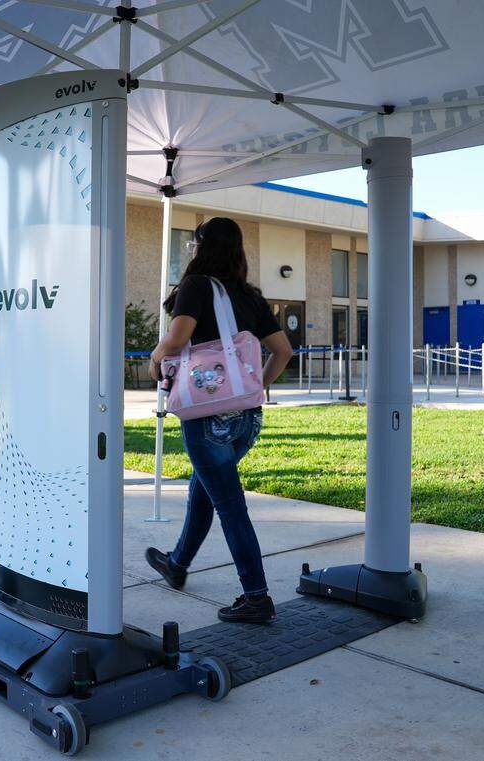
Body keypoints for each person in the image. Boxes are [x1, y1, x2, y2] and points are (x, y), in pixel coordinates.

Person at [145, 217, 293, 624]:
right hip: (247, 419)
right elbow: (283, 351)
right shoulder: (250, 295)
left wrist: (156, 358)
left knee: (229, 505)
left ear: (202, 247)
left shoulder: (197, 287)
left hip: (208, 416)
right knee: (205, 489)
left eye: (194, 244)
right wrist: (256, 388)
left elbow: (177, 338)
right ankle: (177, 563)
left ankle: (257, 596)